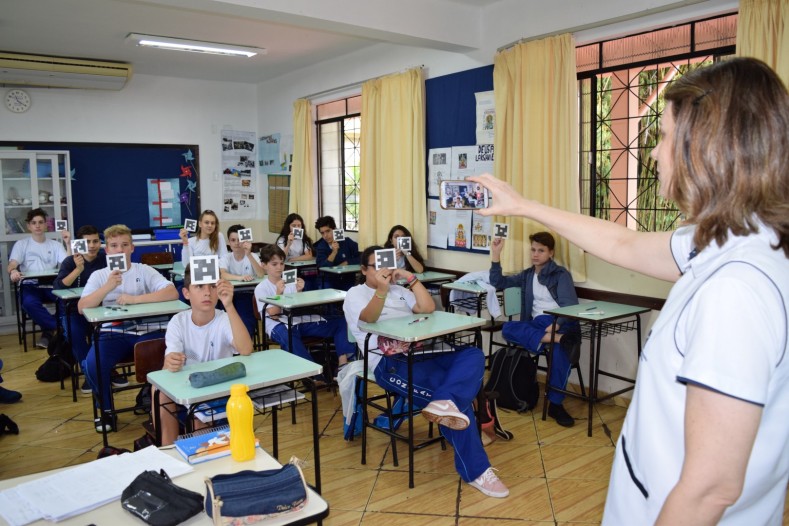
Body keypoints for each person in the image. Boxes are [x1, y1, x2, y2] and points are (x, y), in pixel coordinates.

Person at [469, 58, 789, 524]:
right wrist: (523, 206)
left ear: (705, 149)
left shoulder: (736, 290)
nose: (654, 154)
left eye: (663, 138)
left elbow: (711, 488)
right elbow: (620, 241)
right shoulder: (729, 241)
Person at [344, 245, 509, 498]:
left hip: (425, 351)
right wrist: (381, 290)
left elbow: (428, 308)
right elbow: (368, 320)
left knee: (473, 354)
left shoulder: (401, 290)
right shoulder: (355, 294)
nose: (383, 270)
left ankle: (445, 401)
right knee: (458, 404)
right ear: (364, 269)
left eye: (386, 263)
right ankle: (477, 471)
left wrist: (410, 278)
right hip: (389, 363)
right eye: (376, 266)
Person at [78, 224, 179, 432]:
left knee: (166, 356)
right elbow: (82, 307)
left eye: (124, 245)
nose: (119, 250)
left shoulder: (144, 270)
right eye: (114, 245)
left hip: (148, 331)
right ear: (107, 250)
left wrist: (135, 300)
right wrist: (108, 286)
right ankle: (105, 411)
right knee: (92, 365)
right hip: (112, 333)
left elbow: (171, 293)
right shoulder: (99, 275)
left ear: (132, 248)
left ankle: (155, 403)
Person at [488, 232, 581, 427]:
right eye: (533, 250)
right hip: (540, 325)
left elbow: (571, 305)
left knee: (560, 354)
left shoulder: (560, 274)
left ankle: (555, 404)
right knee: (508, 329)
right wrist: (496, 255)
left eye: (541, 250)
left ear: (551, 253)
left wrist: (557, 325)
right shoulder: (527, 274)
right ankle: (556, 339)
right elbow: (499, 283)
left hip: (559, 322)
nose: (535, 254)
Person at [156, 267, 253, 445]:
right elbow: (170, 361)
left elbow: (246, 349)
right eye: (199, 287)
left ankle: (202, 455)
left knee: (200, 419)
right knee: (159, 391)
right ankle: (168, 449)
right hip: (188, 389)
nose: (207, 292)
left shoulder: (224, 318)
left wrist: (229, 305)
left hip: (219, 390)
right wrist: (170, 361)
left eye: (212, 286)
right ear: (186, 293)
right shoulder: (178, 321)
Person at [255, 245, 355, 371]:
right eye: (274, 264)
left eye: (281, 263)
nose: (279, 267)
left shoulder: (290, 282)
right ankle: (312, 375)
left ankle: (343, 364)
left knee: (340, 322)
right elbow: (274, 316)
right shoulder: (261, 288)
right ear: (264, 265)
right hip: (277, 326)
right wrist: (278, 294)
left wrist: (300, 292)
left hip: (299, 321)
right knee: (289, 337)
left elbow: (299, 308)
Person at [54, 224, 107, 393]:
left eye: (96, 241)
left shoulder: (105, 260)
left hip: (100, 309)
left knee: (107, 335)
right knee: (75, 334)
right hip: (73, 311)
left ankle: (105, 369)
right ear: (81, 244)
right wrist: (78, 269)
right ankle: (90, 372)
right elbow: (59, 287)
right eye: (88, 242)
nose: (92, 245)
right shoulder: (71, 261)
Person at [8, 208, 68, 348]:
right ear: (29, 226)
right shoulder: (21, 244)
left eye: (41, 222)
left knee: (66, 301)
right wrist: (13, 271)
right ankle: (60, 329)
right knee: (28, 303)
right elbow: (12, 264)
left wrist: (68, 241)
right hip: (30, 285)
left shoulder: (56, 245)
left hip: (51, 285)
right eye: (34, 223)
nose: (37, 225)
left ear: (46, 225)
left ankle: (48, 332)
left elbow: (67, 264)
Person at [219, 224, 265, 338]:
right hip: (230, 293)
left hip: (248, 294)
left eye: (239, 240)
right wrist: (240, 278)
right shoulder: (226, 257)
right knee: (221, 311)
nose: (236, 243)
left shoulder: (253, 255)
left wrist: (248, 254)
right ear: (228, 242)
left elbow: (260, 274)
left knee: (245, 316)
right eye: (233, 240)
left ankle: (245, 341)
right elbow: (223, 274)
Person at [313, 215, 360, 290]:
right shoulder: (321, 246)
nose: (325, 236)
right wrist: (334, 252)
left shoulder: (346, 242)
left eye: (328, 231)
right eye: (322, 233)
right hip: (329, 280)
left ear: (334, 229)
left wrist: (347, 262)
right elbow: (321, 266)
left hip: (347, 279)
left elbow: (362, 256)